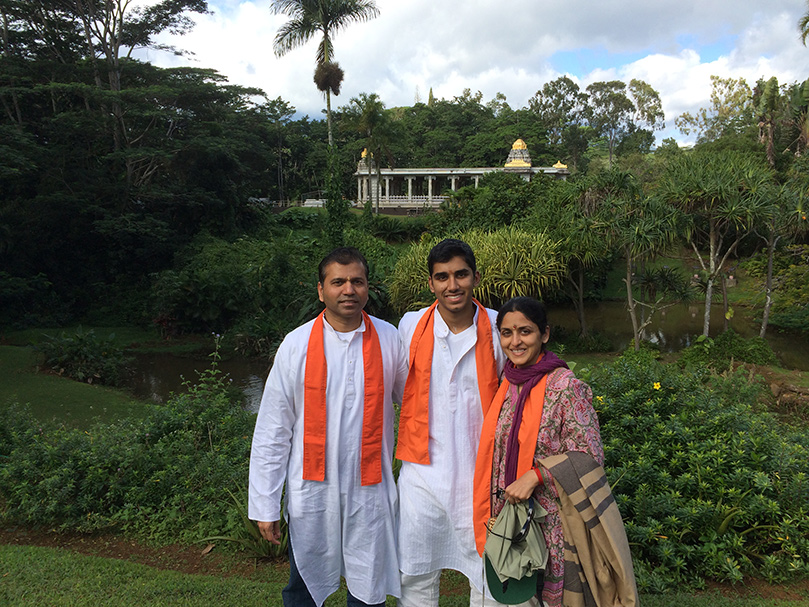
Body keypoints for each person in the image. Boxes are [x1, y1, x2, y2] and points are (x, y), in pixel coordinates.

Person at [248, 247, 409, 607]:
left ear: (369, 288)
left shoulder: (390, 339)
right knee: (303, 582)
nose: (348, 290)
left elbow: (414, 406)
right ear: (321, 290)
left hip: (370, 489)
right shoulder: (296, 345)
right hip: (313, 489)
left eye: (357, 281)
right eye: (338, 282)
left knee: (368, 587)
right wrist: (265, 504)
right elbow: (274, 429)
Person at [473, 297, 637, 607]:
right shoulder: (506, 383)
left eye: (525, 331)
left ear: (544, 334)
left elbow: (590, 456)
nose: (515, 341)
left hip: (555, 521)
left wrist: (536, 475)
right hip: (514, 517)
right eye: (506, 333)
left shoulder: (565, 387)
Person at [396, 238, 507, 606]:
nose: (452, 285)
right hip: (421, 473)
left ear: (475, 277)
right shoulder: (411, 326)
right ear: (431, 283)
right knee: (414, 573)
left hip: (482, 474)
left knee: (490, 573)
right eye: (442, 277)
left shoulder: (497, 328)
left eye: (460, 275)